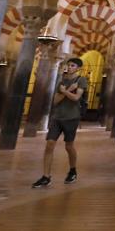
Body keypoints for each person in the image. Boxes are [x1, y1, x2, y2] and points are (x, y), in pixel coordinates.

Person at [32, 57, 87, 188]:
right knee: (49, 144)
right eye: (68, 65)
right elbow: (55, 101)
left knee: (69, 146)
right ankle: (46, 176)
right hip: (57, 117)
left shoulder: (81, 80)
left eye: (73, 65)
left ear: (78, 68)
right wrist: (66, 91)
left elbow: (76, 97)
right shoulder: (61, 81)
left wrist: (65, 91)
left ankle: (73, 170)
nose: (69, 67)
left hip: (72, 117)